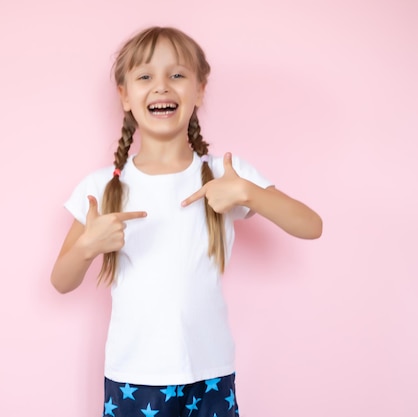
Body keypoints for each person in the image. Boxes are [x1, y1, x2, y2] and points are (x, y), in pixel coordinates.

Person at [50, 26, 322, 417]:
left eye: (176, 75)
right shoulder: (101, 186)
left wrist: (248, 193)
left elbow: (311, 226)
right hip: (133, 377)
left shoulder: (226, 175)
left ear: (200, 90)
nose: (161, 86)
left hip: (210, 373)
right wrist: (88, 245)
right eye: (145, 77)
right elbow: (61, 281)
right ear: (124, 96)